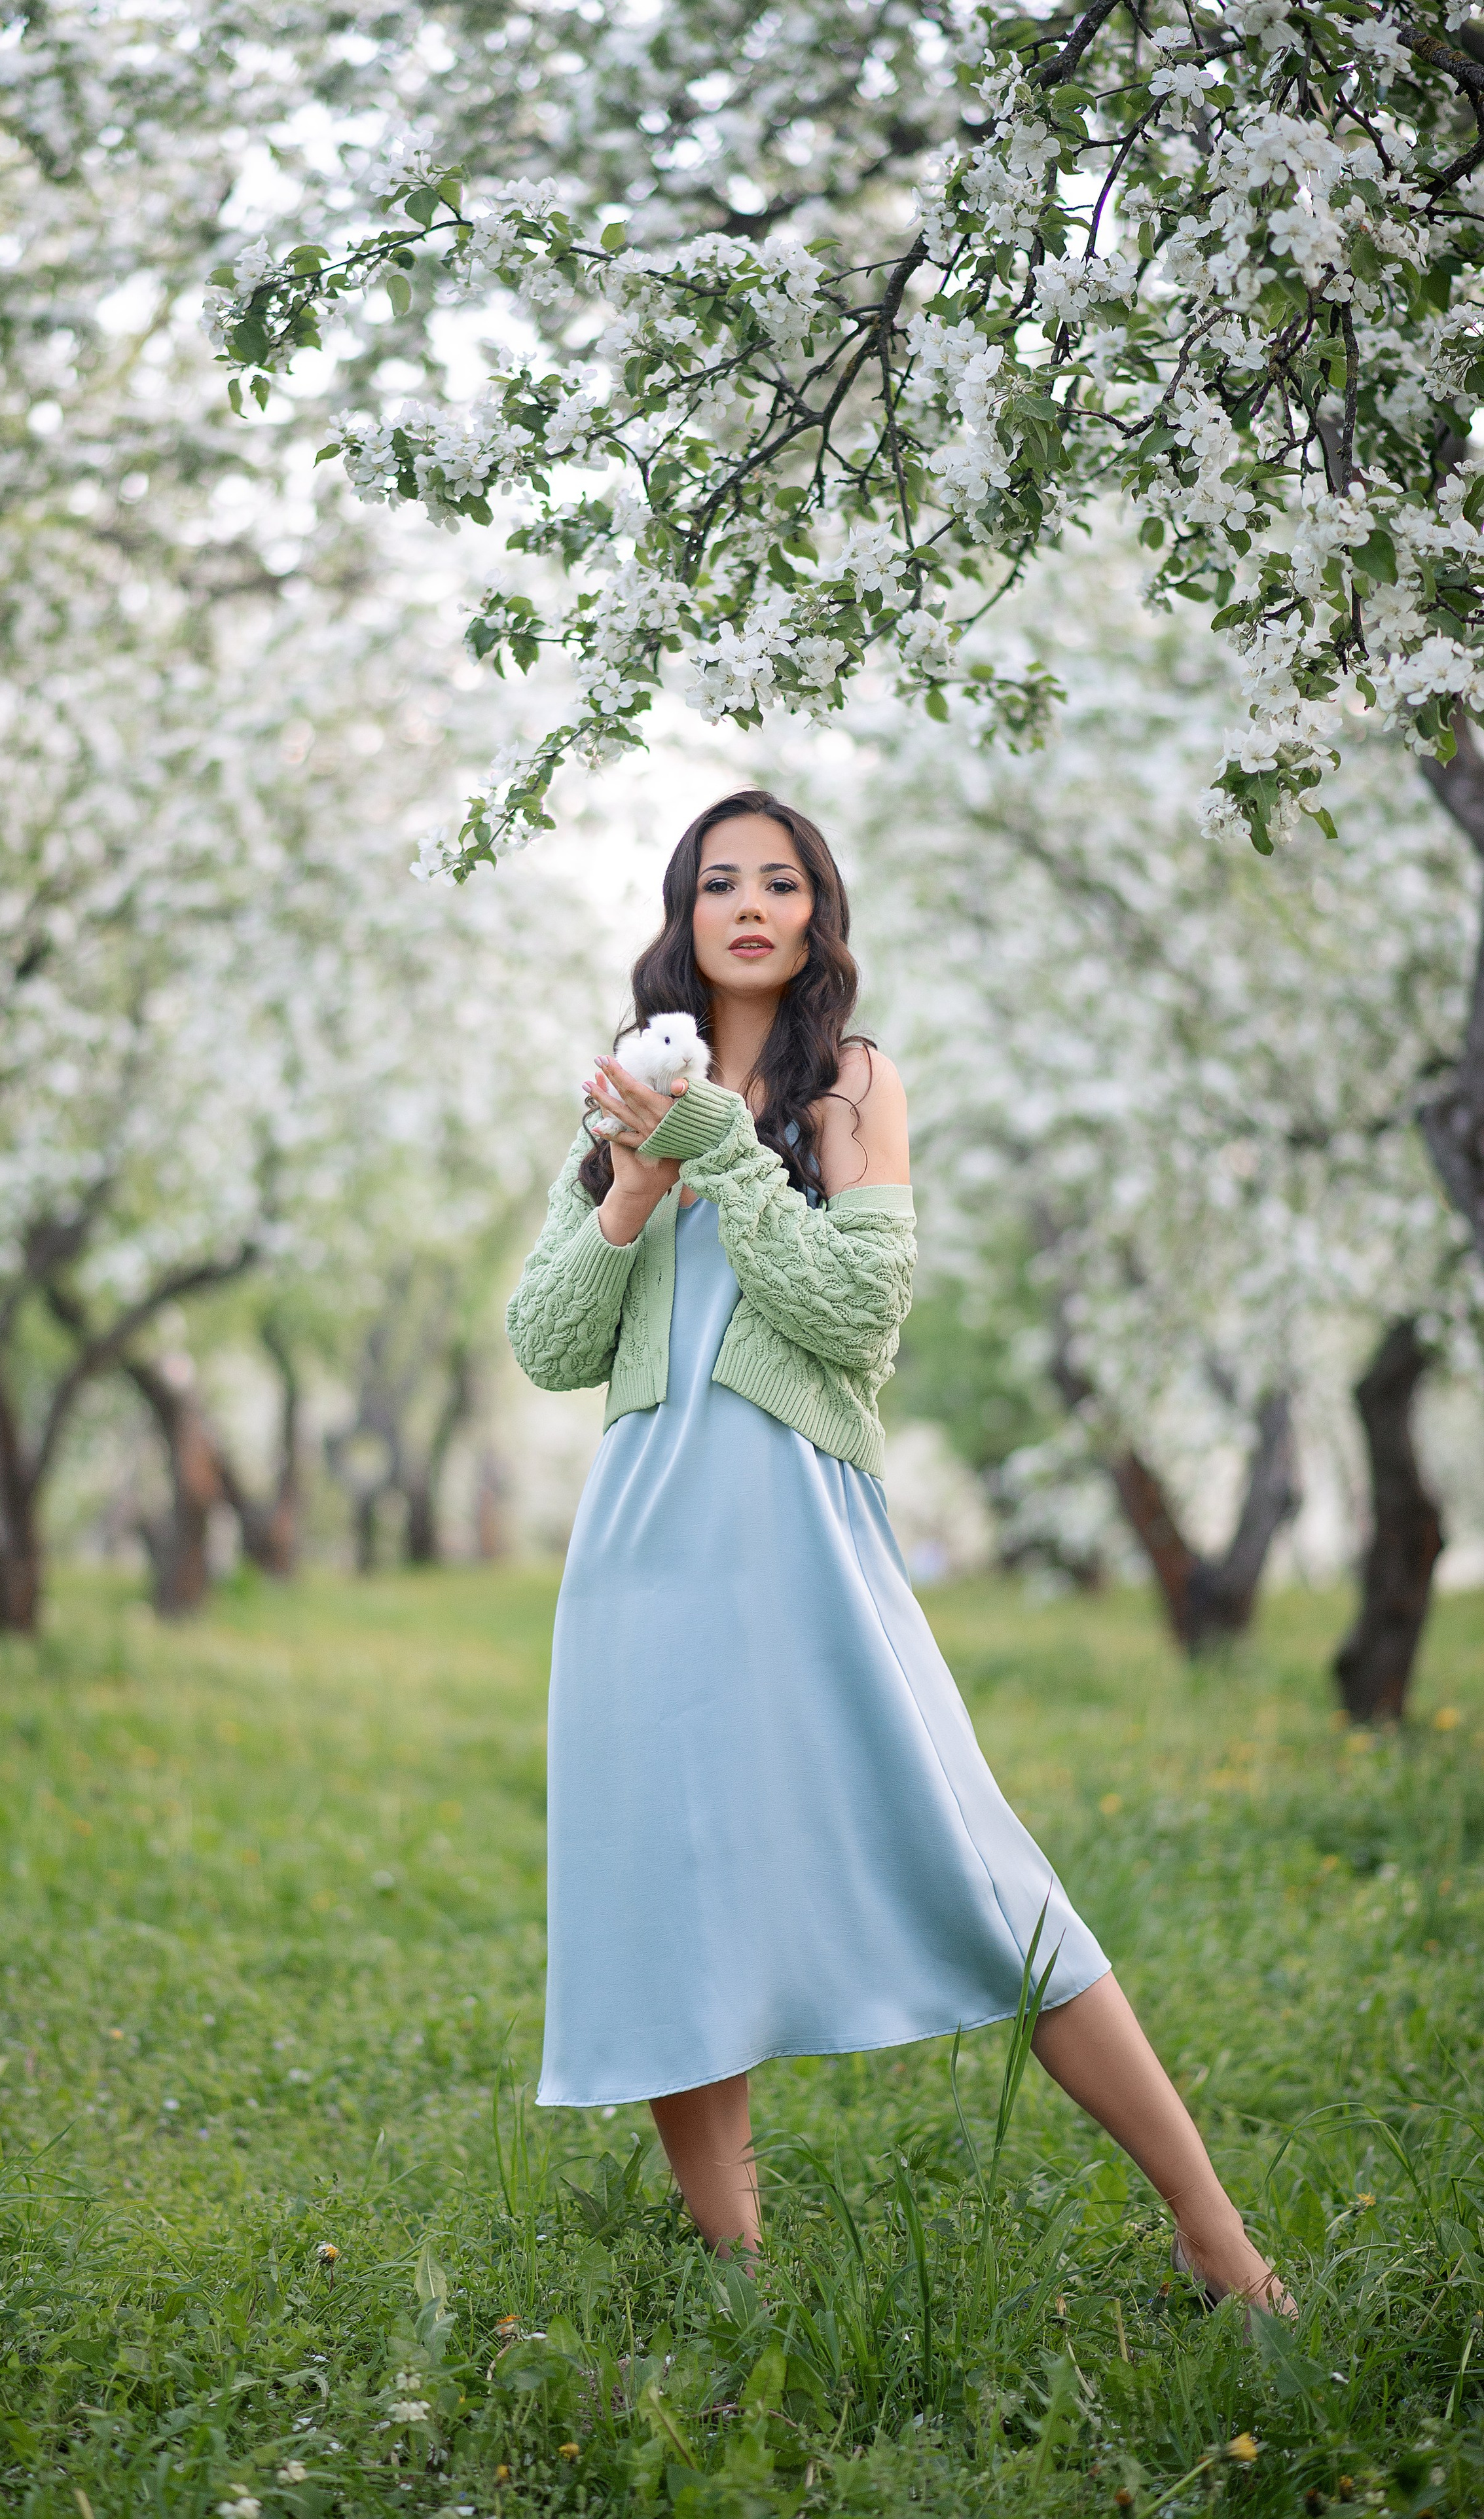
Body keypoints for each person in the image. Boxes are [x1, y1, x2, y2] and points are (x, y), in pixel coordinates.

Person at [506, 788, 1286, 2311]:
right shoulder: (615, 1102)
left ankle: (1212, 2229)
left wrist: (725, 1153)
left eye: (777, 882)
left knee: (979, 1870)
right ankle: (738, 2282)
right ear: (679, 916)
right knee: (672, 1893)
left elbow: (854, 1318)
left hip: (800, 1535)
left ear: (813, 915)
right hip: (639, 1557)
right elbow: (546, 1345)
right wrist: (632, 1188)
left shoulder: (851, 1082)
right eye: (716, 881)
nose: (747, 904)